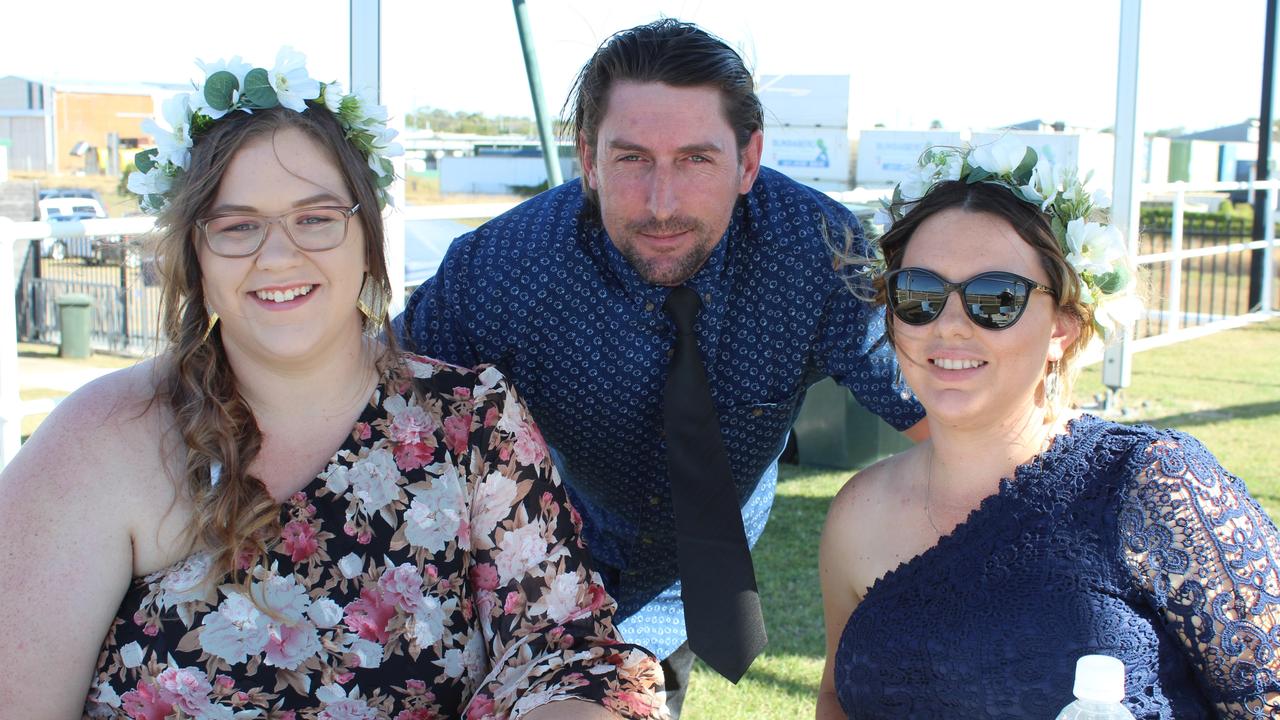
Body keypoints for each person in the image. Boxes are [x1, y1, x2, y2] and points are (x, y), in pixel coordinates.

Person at [0, 49, 667, 719]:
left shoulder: (472, 424)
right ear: (195, 256)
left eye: (316, 217)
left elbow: (563, 653)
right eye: (238, 227)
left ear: (368, 238)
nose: (280, 254)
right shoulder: (102, 440)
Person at [398, 19, 925, 716]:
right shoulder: (503, 266)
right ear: (587, 159)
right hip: (541, 562)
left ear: (748, 159)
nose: (662, 203)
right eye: (633, 159)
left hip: (691, 575)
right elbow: (377, 406)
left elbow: (940, 412)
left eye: (696, 160)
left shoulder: (816, 254)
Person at [815, 137, 1280, 718]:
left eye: (996, 298)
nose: (950, 325)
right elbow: (837, 696)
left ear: (1062, 325)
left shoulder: (1153, 484)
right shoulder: (858, 512)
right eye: (920, 295)